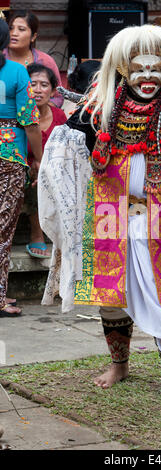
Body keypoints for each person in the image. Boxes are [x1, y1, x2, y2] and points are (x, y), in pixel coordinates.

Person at [38, 25, 161, 408]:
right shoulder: (100, 104)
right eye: (139, 69)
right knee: (113, 293)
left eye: (156, 69)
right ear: (123, 69)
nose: (148, 77)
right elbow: (67, 144)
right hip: (110, 211)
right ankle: (119, 365)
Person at [0, 18, 42, 317]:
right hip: (9, 158)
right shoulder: (16, 72)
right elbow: (30, 123)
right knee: (3, 231)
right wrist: (38, 158)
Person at [24, 63, 67, 258]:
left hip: (52, 169)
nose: (38, 90)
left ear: (53, 90)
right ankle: (36, 233)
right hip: (24, 169)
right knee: (34, 170)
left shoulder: (59, 116)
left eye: (44, 85)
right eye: (33, 84)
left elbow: (64, 151)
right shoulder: (19, 115)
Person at [3, 9, 63, 108]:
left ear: (33, 37)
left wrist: (41, 112)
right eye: (10, 28)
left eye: (21, 29)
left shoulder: (45, 61)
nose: (14, 33)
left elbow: (58, 96)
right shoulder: (2, 58)